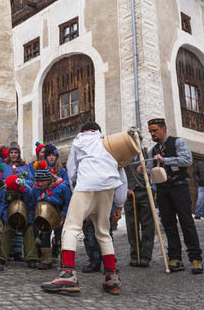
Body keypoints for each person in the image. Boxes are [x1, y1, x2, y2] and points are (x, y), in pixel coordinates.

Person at [40, 122, 127, 295]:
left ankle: (68, 274)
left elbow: (72, 172)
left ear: (83, 132)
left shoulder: (78, 142)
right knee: (103, 232)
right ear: (98, 131)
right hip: (108, 188)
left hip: (86, 186)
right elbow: (121, 175)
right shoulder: (109, 143)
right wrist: (119, 204)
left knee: (70, 229)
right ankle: (112, 277)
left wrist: (78, 182)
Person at [144, 118, 204, 274]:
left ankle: (196, 258)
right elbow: (151, 168)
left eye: (155, 130)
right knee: (168, 224)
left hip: (179, 187)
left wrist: (166, 160)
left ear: (164, 128)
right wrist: (145, 170)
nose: (152, 134)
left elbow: (187, 160)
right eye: (150, 131)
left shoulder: (178, 142)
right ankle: (175, 259)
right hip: (163, 189)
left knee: (186, 222)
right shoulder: (153, 149)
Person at [29, 161, 72, 270]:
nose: (39, 184)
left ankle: (64, 262)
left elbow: (69, 202)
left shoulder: (62, 186)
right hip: (44, 215)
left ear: (48, 179)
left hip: (60, 215)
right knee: (44, 235)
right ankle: (46, 260)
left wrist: (63, 216)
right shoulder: (36, 188)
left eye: (41, 181)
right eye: (37, 181)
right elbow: (32, 202)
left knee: (61, 237)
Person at [0, 173, 37, 268]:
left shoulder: (27, 190)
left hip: (26, 215)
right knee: (7, 230)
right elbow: (3, 205)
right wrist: (6, 218)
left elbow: (32, 206)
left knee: (29, 231)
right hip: (10, 215)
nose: (7, 190)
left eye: (9, 190)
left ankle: (31, 257)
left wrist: (29, 221)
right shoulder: (5, 189)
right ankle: (1, 256)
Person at [124, 152, 155, 267]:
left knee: (148, 224)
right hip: (130, 193)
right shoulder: (124, 156)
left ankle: (146, 255)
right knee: (131, 224)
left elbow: (155, 171)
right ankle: (134, 254)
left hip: (145, 191)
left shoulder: (148, 154)